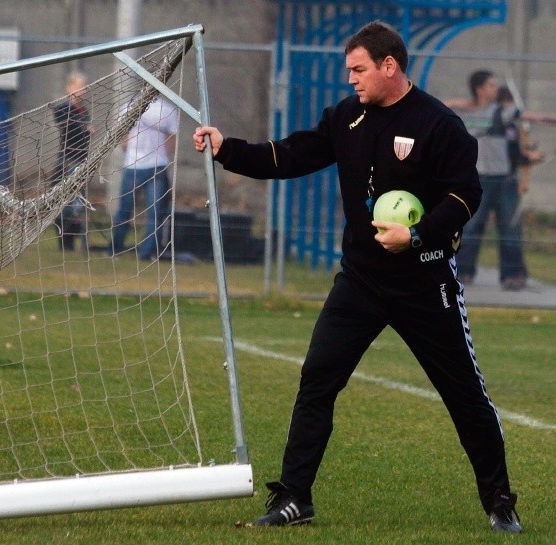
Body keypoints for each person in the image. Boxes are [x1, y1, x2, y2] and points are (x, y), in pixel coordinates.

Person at [193, 21, 521, 533]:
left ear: (390, 66)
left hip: (424, 283)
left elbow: (464, 197)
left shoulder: (440, 124)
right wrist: (227, 149)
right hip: (361, 282)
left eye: (358, 69)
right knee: (317, 379)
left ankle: (500, 500)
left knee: (464, 394)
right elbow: (291, 154)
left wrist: (415, 238)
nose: (351, 79)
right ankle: (295, 498)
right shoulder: (347, 117)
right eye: (349, 70)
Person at [445, 71, 528, 291]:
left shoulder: (502, 111)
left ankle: (512, 275)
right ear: (479, 88)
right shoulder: (461, 112)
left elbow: (528, 116)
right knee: (470, 227)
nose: (496, 89)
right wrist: (466, 104)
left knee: (510, 230)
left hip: (504, 180)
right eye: (491, 85)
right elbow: (436, 107)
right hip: (477, 180)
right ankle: (463, 271)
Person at [107, 97, 177, 261]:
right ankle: (147, 253)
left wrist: (130, 150)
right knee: (153, 213)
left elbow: (123, 136)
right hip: (154, 165)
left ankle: (115, 249)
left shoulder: (129, 106)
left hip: (137, 165)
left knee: (126, 210)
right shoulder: (168, 108)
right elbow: (172, 139)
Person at [53, 71, 92, 252]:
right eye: (80, 86)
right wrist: (84, 128)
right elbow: (66, 125)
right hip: (68, 160)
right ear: (70, 87)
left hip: (81, 159)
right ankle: (64, 242)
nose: (84, 90)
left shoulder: (84, 111)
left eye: (84, 86)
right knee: (66, 203)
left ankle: (74, 241)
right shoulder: (63, 108)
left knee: (78, 203)